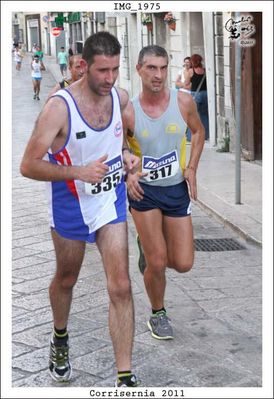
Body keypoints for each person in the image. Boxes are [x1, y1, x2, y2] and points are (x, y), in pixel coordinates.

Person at [20, 32, 140, 387]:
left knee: (120, 285)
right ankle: (60, 336)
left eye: (116, 69)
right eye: (103, 70)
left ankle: (125, 376)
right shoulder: (59, 107)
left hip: (109, 200)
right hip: (70, 202)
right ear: (84, 66)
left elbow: (123, 142)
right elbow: (28, 166)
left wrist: (130, 160)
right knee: (67, 279)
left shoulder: (118, 97)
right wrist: (77, 171)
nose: (110, 78)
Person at [122, 45, 205, 340]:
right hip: (144, 192)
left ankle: (148, 246)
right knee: (157, 262)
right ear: (139, 70)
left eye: (163, 68)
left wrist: (192, 167)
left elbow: (198, 132)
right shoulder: (129, 111)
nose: (158, 75)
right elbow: (116, 147)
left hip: (175, 190)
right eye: (151, 68)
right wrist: (128, 170)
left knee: (183, 263)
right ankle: (158, 313)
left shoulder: (183, 102)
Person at [185, 54, 209, 140]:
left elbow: (186, 84)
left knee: (192, 116)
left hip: (196, 95)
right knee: (204, 115)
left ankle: (190, 136)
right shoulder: (204, 70)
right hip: (206, 94)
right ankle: (205, 135)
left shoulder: (191, 71)